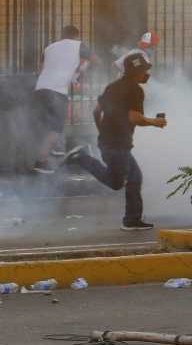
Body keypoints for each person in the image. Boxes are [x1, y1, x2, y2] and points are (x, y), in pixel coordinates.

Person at [64, 53, 163, 231]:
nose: (146, 74)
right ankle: (82, 158)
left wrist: (103, 132)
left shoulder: (113, 86)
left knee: (127, 180)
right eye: (143, 70)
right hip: (118, 144)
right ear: (134, 72)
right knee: (127, 180)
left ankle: (132, 219)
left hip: (109, 141)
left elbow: (96, 111)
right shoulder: (135, 90)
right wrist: (155, 122)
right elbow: (134, 117)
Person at [31, 25, 91, 174]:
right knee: (56, 128)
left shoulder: (49, 48)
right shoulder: (78, 45)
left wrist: (72, 73)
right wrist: (82, 70)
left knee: (48, 126)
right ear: (76, 36)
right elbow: (95, 59)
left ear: (62, 35)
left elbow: (42, 69)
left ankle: (54, 151)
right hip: (57, 92)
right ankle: (40, 162)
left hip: (40, 89)